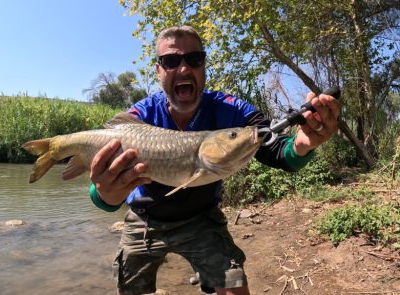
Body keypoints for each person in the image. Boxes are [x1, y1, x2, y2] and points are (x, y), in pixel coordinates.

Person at [89, 25, 340, 295]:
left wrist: (302, 146)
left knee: (234, 286)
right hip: (144, 219)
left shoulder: (232, 110)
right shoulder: (140, 115)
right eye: (171, 61)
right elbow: (100, 194)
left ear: (203, 65)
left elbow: (274, 150)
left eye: (194, 59)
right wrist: (104, 195)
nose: (184, 69)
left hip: (201, 219)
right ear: (159, 70)